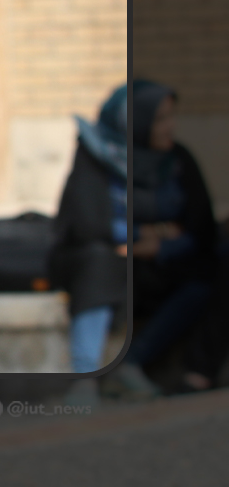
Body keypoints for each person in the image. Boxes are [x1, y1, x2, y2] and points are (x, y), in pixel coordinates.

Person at [52, 81, 217, 399]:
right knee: (99, 262)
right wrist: (144, 234)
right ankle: (85, 375)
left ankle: (131, 363)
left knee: (206, 273)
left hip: (157, 262)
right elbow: (88, 223)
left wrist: (158, 245)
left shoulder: (177, 161)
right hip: (105, 261)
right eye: (160, 119)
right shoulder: (97, 156)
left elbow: (199, 228)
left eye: (171, 117)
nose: (171, 126)